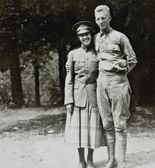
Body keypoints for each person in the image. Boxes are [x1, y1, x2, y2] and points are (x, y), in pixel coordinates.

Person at [94, 5, 137, 168]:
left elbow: (132, 59)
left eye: (103, 18)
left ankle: (122, 161)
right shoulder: (96, 38)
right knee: (106, 123)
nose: (100, 22)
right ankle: (111, 159)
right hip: (102, 82)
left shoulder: (120, 37)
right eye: (97, 19)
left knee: (119, 123)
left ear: (109, 18)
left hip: (118, 82)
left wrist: (122, 67)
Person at [64, 20, 104, 168]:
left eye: (86, 34)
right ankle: (81, 160)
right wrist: (68, 100)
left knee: (92, 129)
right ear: (78, 37)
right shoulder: (73, 54)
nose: (84, 38)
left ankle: (90, 159)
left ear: (91, 35)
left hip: (94, 95)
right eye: (81, 35)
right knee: (79, 130)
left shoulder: (98, 54)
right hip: (77, 95)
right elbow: (69, 78)